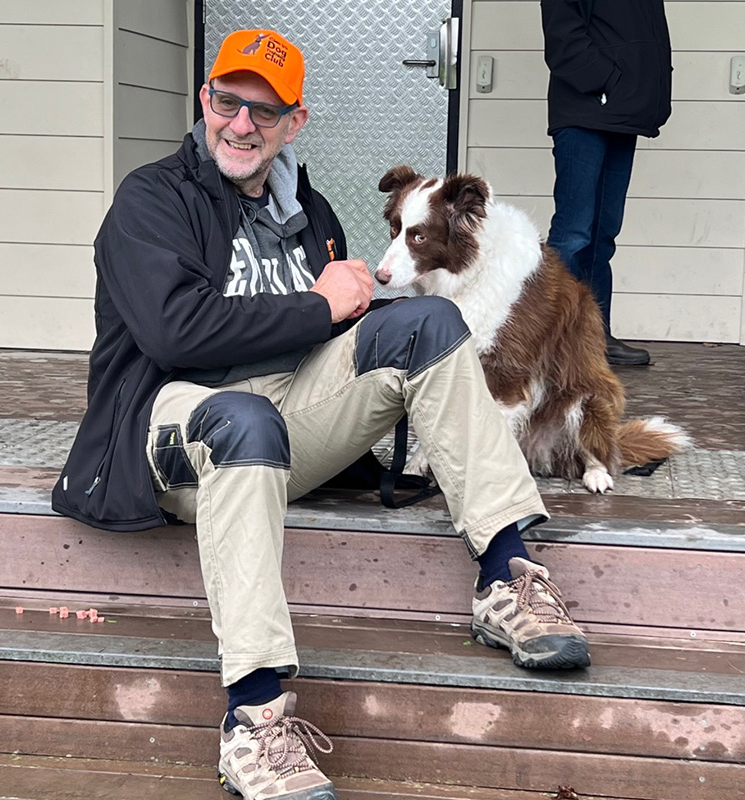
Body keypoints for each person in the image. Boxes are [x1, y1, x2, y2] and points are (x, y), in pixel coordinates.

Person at [52, 29, 589, 800]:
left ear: (294, 124)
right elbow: (174, 333)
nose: (243, 125)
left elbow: (340, 339)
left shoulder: (312, 212)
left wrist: (349, 317)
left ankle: (507, 575)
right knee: (244, 416)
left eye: (265, 113)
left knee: (428, 326)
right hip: (174, 429)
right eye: (229, 103)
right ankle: (254, 721)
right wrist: (315, 306)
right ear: (205, 101)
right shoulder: (150, 198)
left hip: (290, 423)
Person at [540, 0, 672, 366]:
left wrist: (632, 92)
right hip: (585, 113)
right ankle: (549, 342)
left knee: (602, 234)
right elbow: (562, 39)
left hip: (622, 114)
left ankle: (596, 337)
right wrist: (609, 82)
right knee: (573, 232)